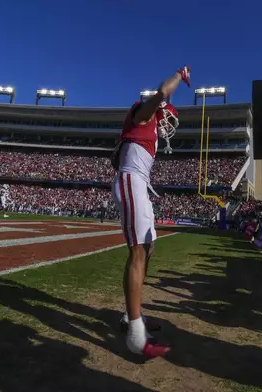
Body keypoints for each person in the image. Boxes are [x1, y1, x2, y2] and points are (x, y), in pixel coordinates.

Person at [112, 66, 191, 358]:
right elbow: (162, 93)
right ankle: (135, 334)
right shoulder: (142, 113)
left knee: (149, 247)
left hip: (141, 183)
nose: (169, 122)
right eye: (168, 116)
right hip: (131, 179)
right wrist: (179, 77)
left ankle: (130, 314)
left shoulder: (151, 133)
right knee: (137, 253)